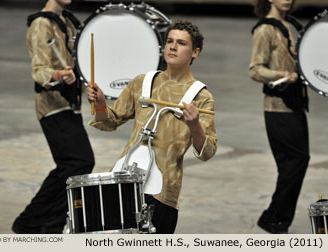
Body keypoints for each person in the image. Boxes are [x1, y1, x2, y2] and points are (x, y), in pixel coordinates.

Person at [87, 20, 217, 234]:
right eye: (169, 41)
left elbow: (207, 152)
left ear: (195, 52)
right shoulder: (142, 82)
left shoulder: (202, 97)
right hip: (124, 181)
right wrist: (101, 104)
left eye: (181, 43)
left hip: (163, 193)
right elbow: (109, 121)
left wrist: (194, 125)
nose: (173, 47)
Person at [12, 0, 95, 234]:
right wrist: (60, 74)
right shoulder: (41, 24)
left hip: (69, 105)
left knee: (72, 166)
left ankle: (38, 223)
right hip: (52, 105)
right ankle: (38, 223)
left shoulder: (68, 22)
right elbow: (39, 71)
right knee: (79, 162)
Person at [249, 0, 310, 234]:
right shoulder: (265, 29)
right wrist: (282, 74)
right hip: (277, 106)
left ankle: (276, 219)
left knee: (295, 162)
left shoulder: (291, 24)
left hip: (295, 104)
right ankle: (275, 218)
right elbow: (255, 69)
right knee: (295, 162)